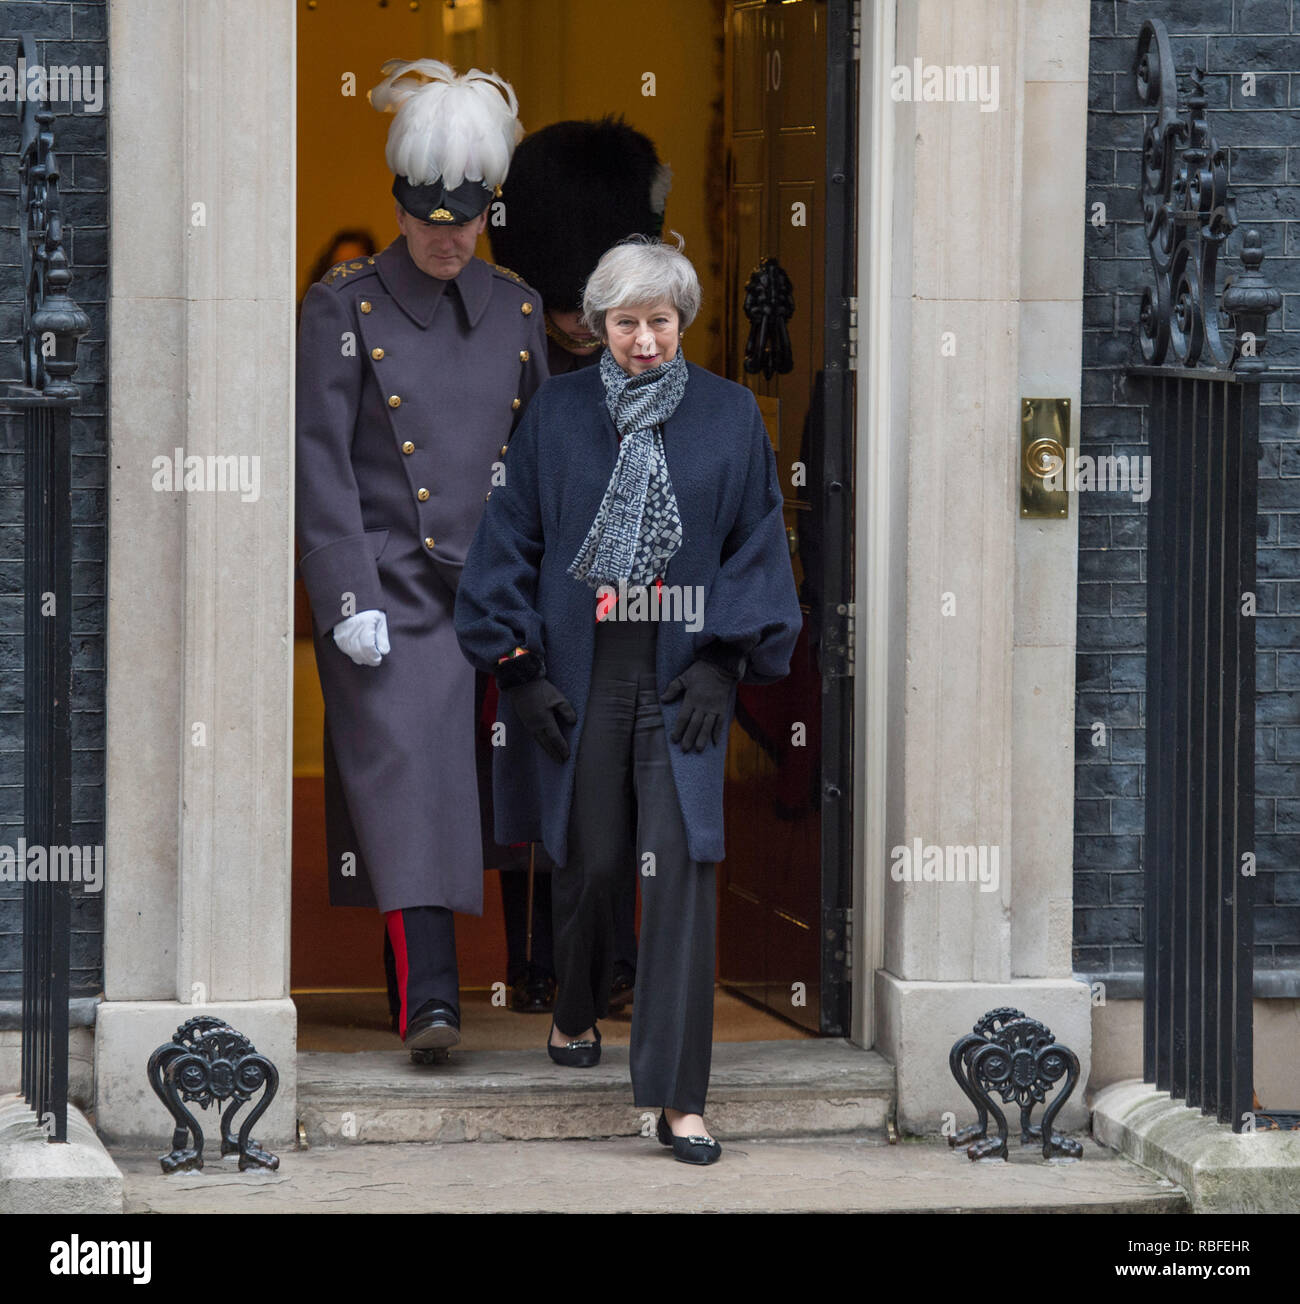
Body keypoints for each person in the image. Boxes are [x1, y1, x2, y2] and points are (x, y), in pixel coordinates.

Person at [455, 236, 801, 1162]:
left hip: (685, 665)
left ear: (681, 322)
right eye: (624, 324)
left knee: (681, 863)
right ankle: (573, 1006)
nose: (644, 341)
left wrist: (726, 661)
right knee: (596, 859)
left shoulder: (730, 418)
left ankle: (679, 1101)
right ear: (595, 327)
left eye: (660, 322)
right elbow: (509, 540)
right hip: (584, 662)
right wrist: (519, 667)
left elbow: (757, 547)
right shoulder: (557, 417)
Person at [295, 58, 547, 1063]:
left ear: (489, 209)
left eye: (468, 213)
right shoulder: (342, 305)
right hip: (389, 580)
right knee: (409, 776)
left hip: (492, 582)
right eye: (428, 212)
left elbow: (536, 464)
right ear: (399, 203)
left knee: (509, 777)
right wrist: (344, 590)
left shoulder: (520, 310)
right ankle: (431, 1001)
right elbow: (320, 463)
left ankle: (561, 981)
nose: (448, 232)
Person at [481, 116, 674, 1014]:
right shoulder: (510, 345)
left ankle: (616, 961)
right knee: (532, 770)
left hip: (622, 600)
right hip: (529, 594)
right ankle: (539, 958)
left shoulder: (645, 350)